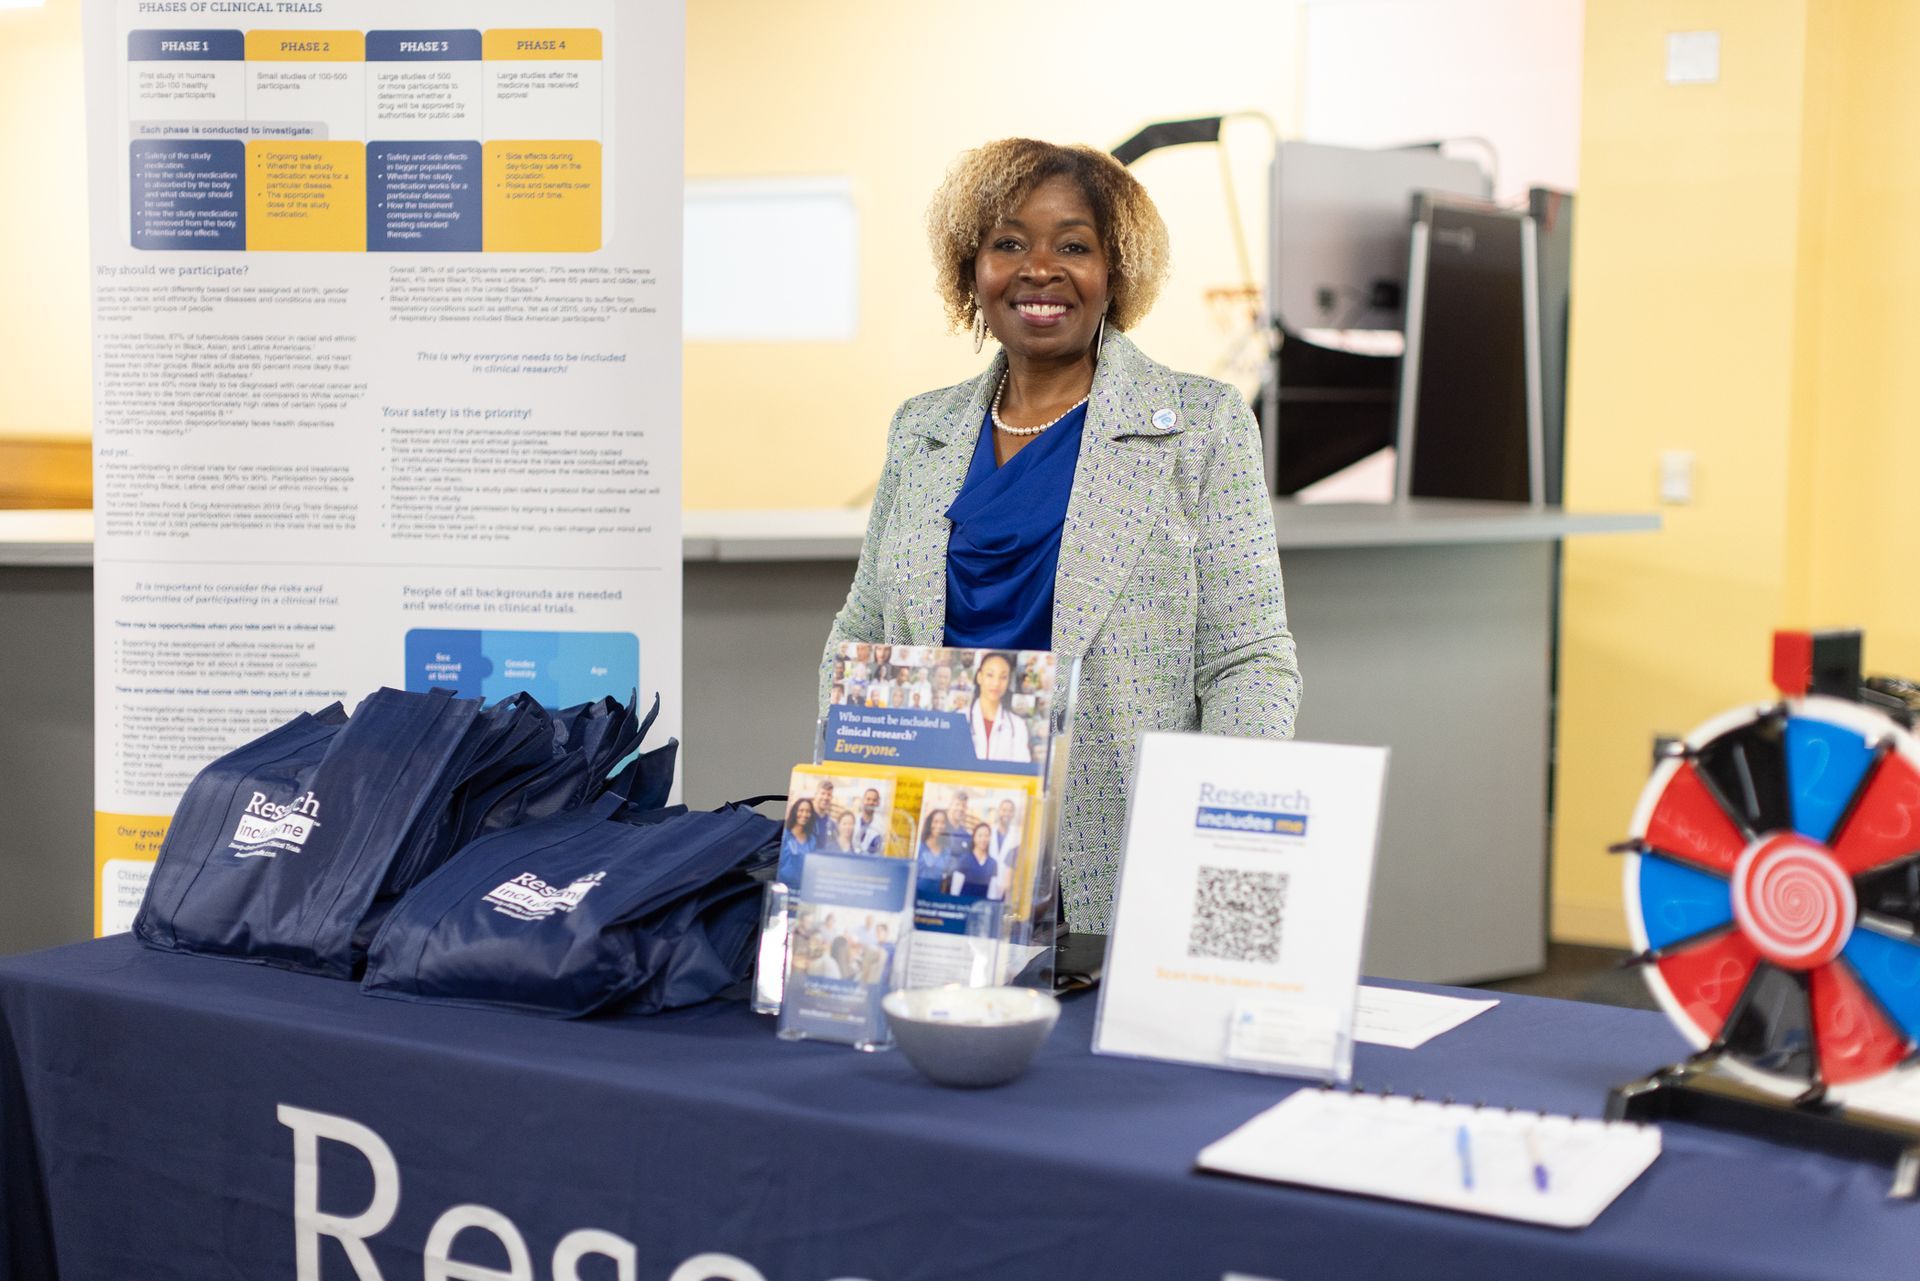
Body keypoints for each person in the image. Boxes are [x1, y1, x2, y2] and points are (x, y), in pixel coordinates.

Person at [818, 138, 1300, 933]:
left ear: (1116, 272)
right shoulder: (921, 430)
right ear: (972, 270)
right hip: (937, 845)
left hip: (1112, 855)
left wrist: (1217, 835)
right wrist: (849, 811)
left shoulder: (1201, 427)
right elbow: (862, 634)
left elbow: (1249, 660)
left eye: (1073, 246)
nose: (1039, 268)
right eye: (1009, 243)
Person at [968, 651, 1030, 762]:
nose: (996, 683)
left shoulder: (1017, 726)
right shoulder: (961, 718)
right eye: (990, 675)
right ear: (979, 677)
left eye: (1003, 677)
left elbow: (1022, 773)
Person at [951, 823, 1000, 900]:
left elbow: (992, 893)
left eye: (986, 836)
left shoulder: (993, 863)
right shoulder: (964, 860)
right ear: (974, 838)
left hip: (982, 907)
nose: (983, 839)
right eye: (980, 836)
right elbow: (955, 891)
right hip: (964, 905)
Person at [778, 799, 817, 885]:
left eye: (808, 811)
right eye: (801, 810)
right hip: (783, 885)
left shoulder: (812, 839)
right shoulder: (784, 835)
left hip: (803, 887)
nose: (804, 814)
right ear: (795, 812)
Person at [916, 810, 954, 894]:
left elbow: (945, 879)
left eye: (942, 822)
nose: (939, 826)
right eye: (935, 821)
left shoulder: (946, 852)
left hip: (935, 898)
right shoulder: (919, 847)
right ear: (929, 824)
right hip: (917, 894)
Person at [989, 798, 1021, 877]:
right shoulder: (989, 832)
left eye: (1010, 811)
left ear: (1013, 814)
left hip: (1006, 882)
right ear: (998, 811)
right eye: (1004, 810)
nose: (1006, 813)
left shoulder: (1018, 837)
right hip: (986, 880)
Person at [850, 787, 887, 854]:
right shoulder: (853, 820)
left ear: (878, 803)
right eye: (868, 799)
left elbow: (882, 849)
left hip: (870, 862)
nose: (871, 802)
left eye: (874, 800)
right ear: (863, 800)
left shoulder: (883, 826)